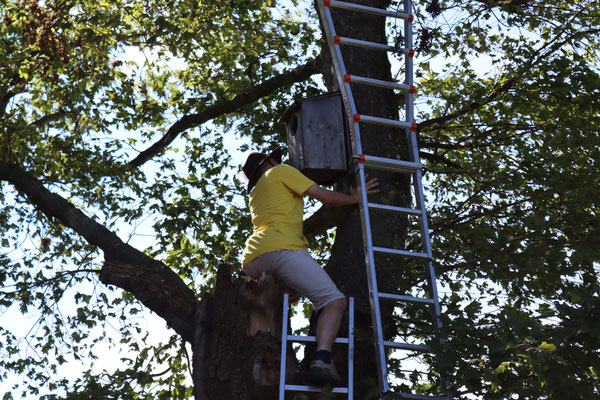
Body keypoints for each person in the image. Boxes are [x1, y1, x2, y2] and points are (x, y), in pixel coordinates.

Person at [240, 147, 379, 387]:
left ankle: (284, 295)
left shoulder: (255, 193)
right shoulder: (281, 171)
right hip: (281, 249)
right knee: (334, 301)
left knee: (292, 294)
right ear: (271, 161)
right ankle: (322, 361)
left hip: (253, 259)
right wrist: (354, 198)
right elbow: (325, 197)